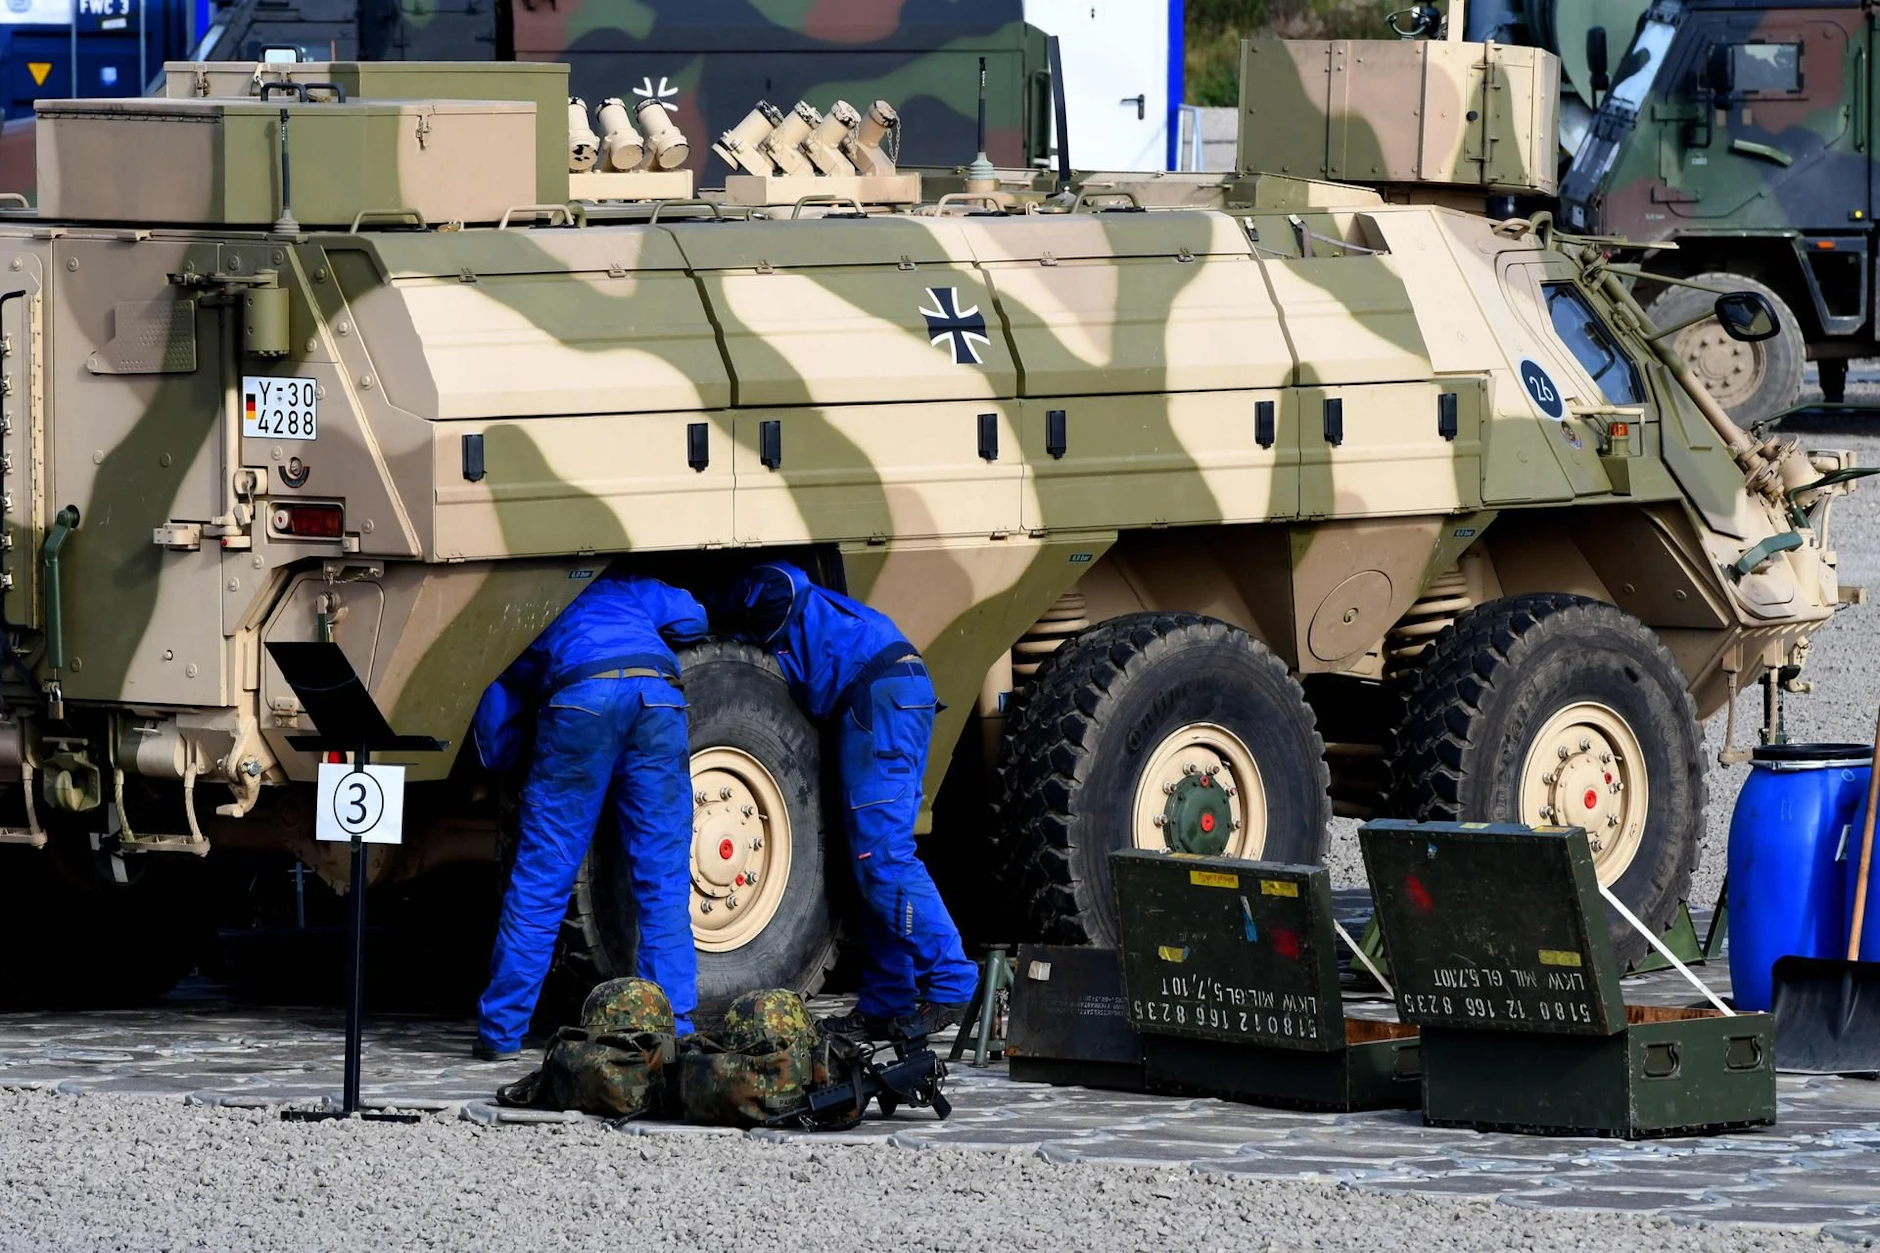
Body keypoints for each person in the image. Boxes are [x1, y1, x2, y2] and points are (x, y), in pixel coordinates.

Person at [718, 561, 979, 1040]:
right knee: (870, 862)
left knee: (881, 856)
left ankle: (952, 984)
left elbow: (785, 605)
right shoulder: (811, 608)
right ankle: (887, 999)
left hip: (879, 697)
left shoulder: (774, 601)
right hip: (889, 691)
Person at [471, 573, 707, 1061]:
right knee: (662, 877)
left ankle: (500, 1033)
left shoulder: (532, 600)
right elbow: (693, 615)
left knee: (542, 880)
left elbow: (498, 716)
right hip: (658, 695)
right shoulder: (625, 588)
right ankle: (676, 1027)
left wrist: (502, 761)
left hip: (580, 699)